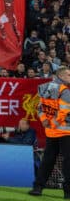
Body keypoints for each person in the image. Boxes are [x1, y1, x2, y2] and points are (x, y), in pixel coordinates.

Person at [29, 66, 70, 197]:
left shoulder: (44, 87)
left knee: (48, 161)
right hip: (66, 132)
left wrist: (44, 121)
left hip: (51, 131)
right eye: (69, 75)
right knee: (68, 162)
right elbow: (64, 110)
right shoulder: (65, 90)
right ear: (61, 76)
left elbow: (39, 107)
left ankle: (38, 187)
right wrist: (56, 122)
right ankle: (68, 192)